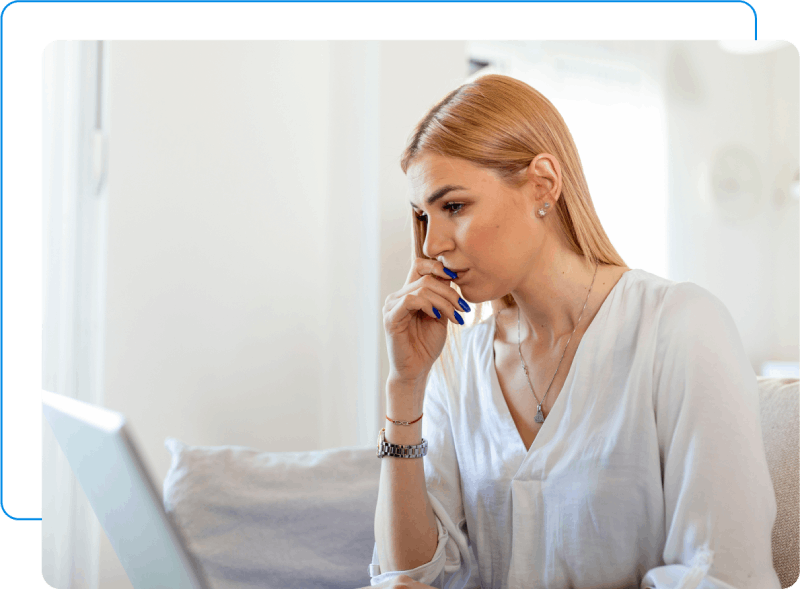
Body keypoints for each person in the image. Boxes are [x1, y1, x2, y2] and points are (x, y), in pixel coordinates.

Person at [370, 74, 780, 589]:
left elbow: (720, 574)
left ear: (543, 184)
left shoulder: (678, 327)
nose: (431, 245)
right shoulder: (456, 367)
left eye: (453, 206)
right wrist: (404, 386)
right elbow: (409, 577)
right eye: (422, 217)